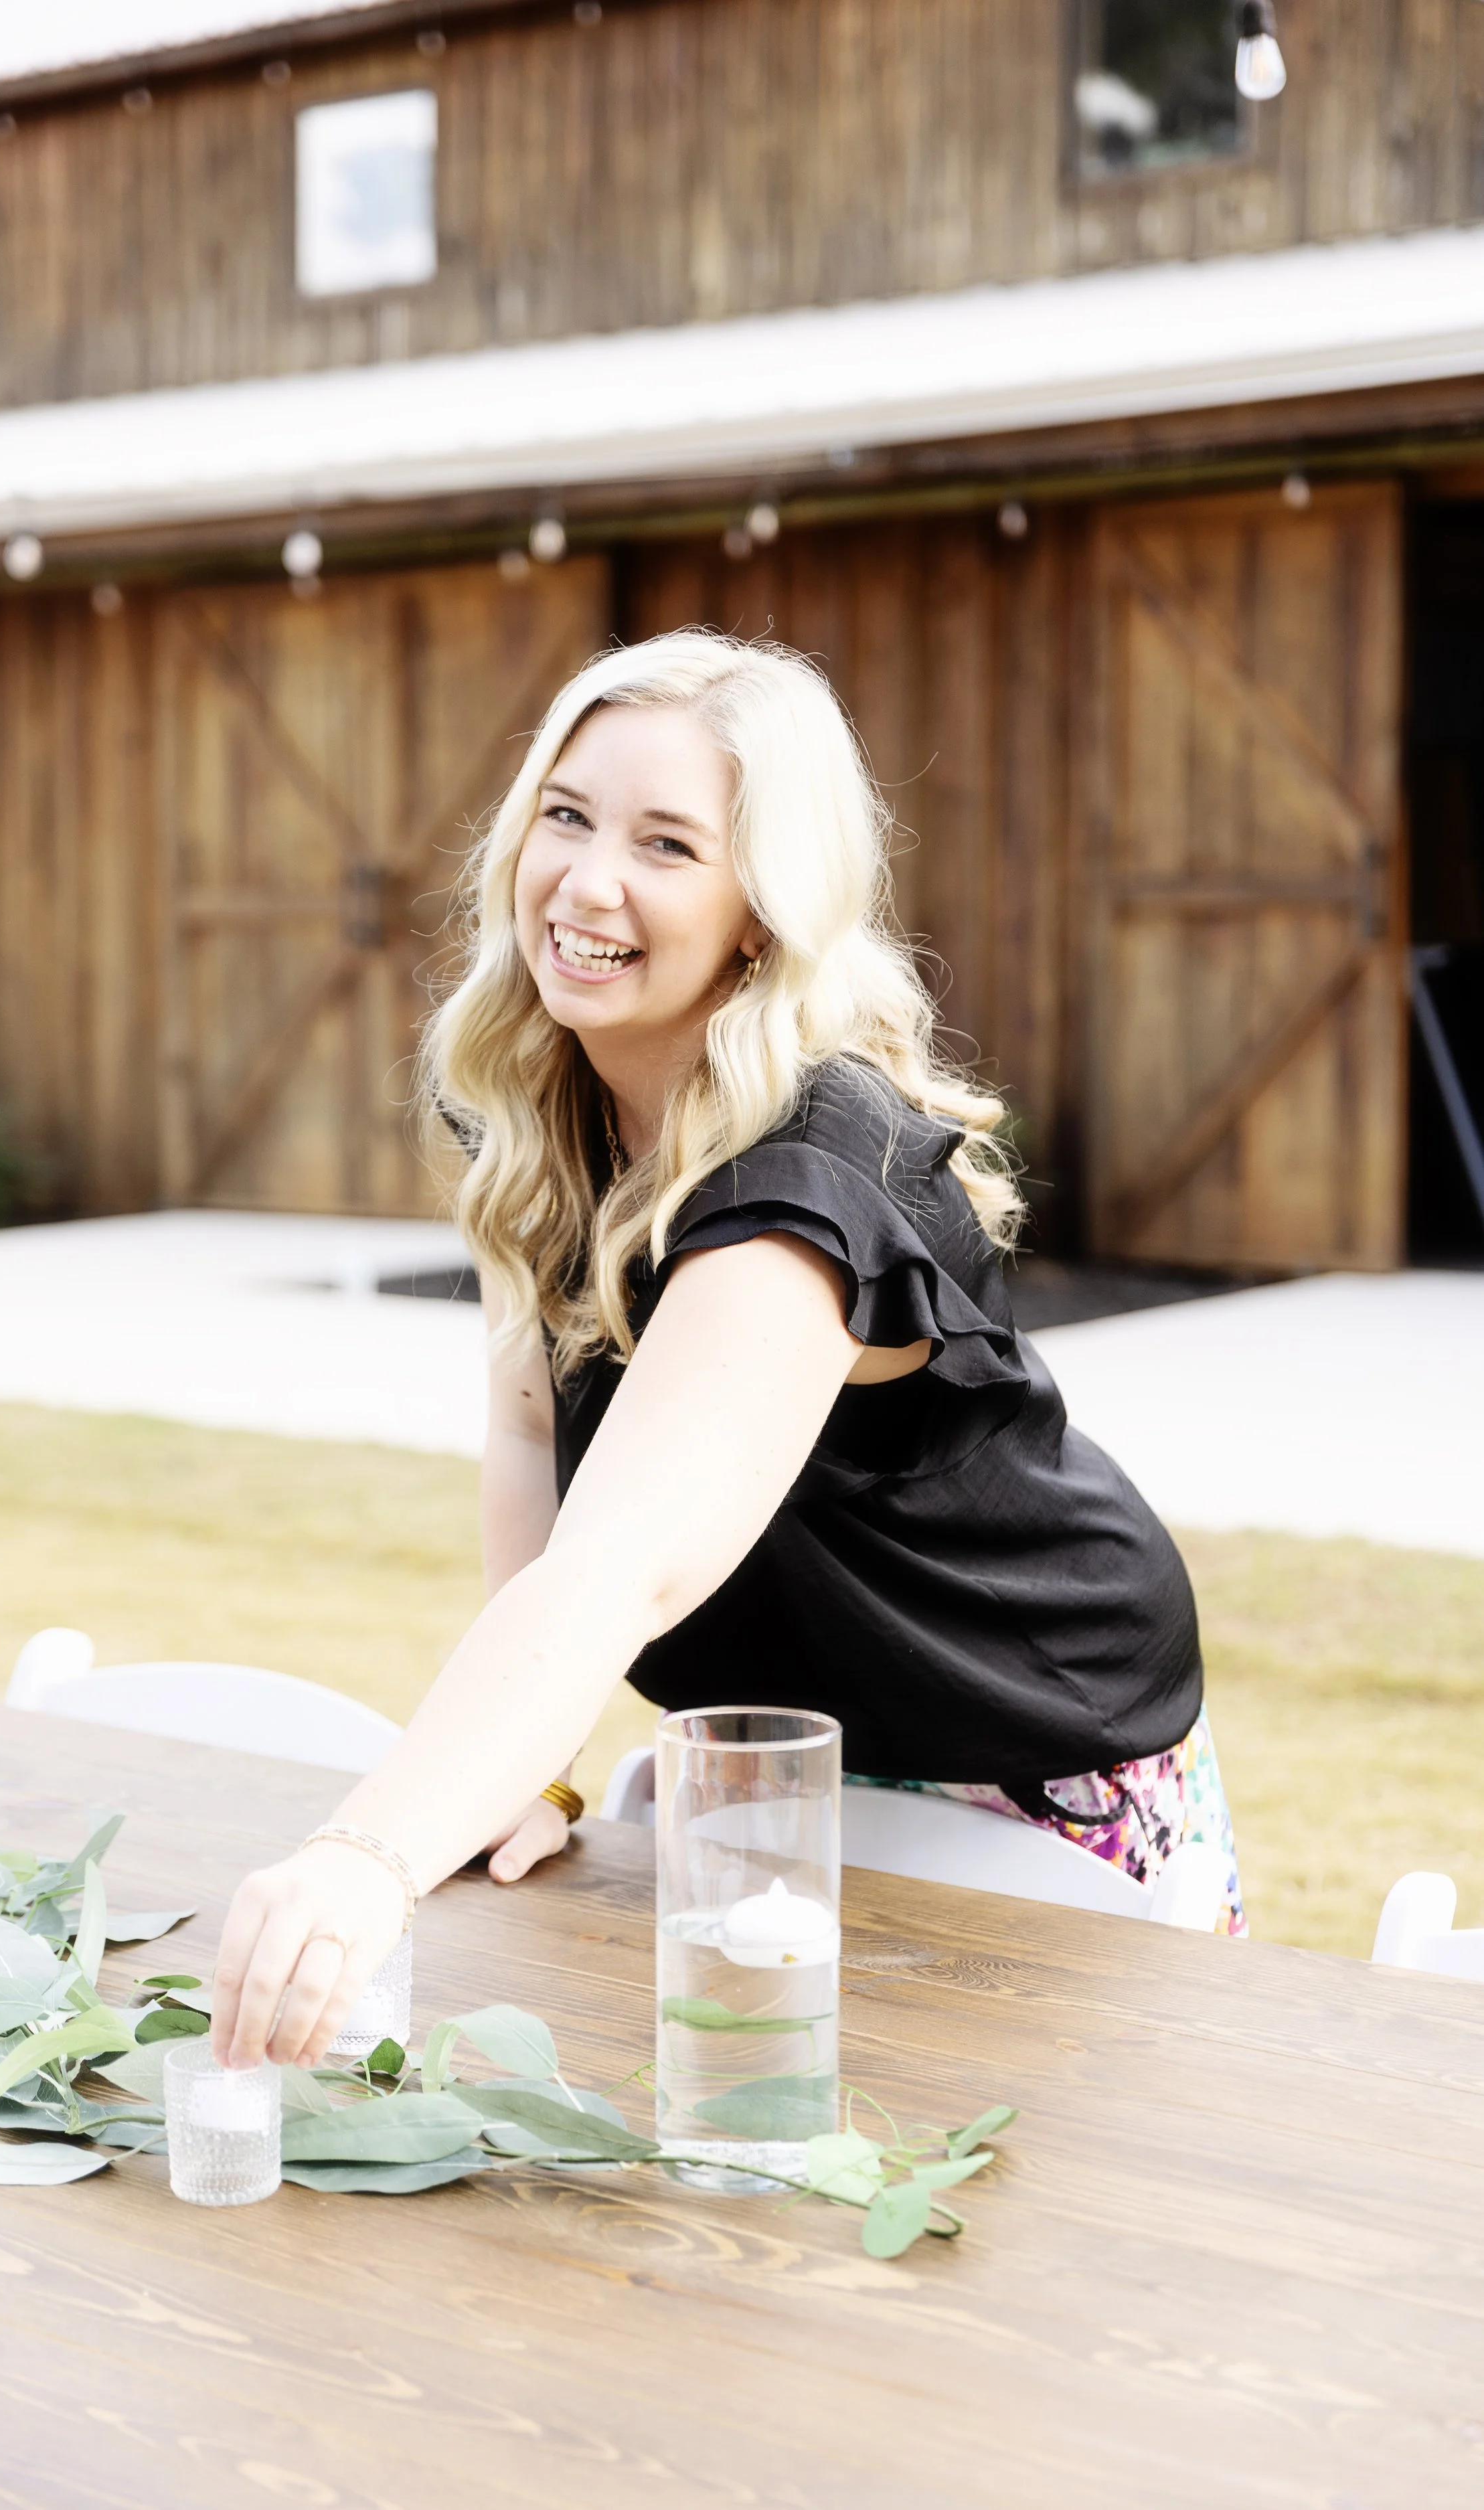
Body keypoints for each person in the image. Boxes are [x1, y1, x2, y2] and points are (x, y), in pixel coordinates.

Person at [210, 629, 1242, 2070]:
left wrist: (361, 1858)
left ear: (762, 907)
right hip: (762, 1751)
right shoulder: (554, 1116)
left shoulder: (811, 1177)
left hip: (1023, 1769)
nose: (585, 883)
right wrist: (530, 1767)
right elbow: (529, 1435)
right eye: (564, 817)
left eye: (667, 845)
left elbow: (618, 1567)